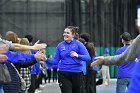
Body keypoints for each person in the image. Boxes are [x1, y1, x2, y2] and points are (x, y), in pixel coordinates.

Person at [90, 22, 140, 93]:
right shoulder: (136, 49)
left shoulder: (119, 50)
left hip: (122, 76)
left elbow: (116, 62)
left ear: (122, 40)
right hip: (132, 75)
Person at [44, 26, 90, 93]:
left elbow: (88, 58)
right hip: (63, 73)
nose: (65, 34)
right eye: (64, 32)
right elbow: (55, 61)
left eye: (67, 33)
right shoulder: (60, 45)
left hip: (77, 73)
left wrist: (77, 55)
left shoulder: (79, 44)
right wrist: (45, 59)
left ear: (73, 35)